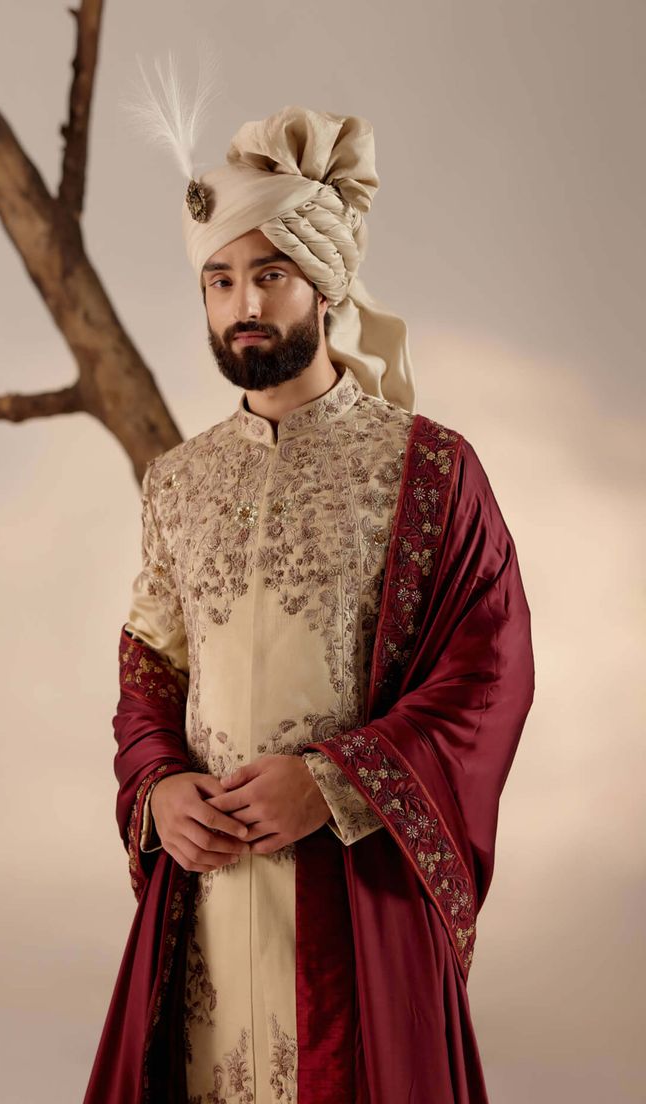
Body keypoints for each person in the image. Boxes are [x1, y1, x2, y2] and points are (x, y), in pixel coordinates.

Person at [83, 105, 535, 1104]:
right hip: (199, 897)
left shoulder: (427, 469)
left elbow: (487, 673)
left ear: (322, 286)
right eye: (220, 279)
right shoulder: (178, 481)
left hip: (352, 889)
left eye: (268, 275)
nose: (243, 303)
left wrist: (332, 781)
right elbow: (146, 675)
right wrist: (158, 787)